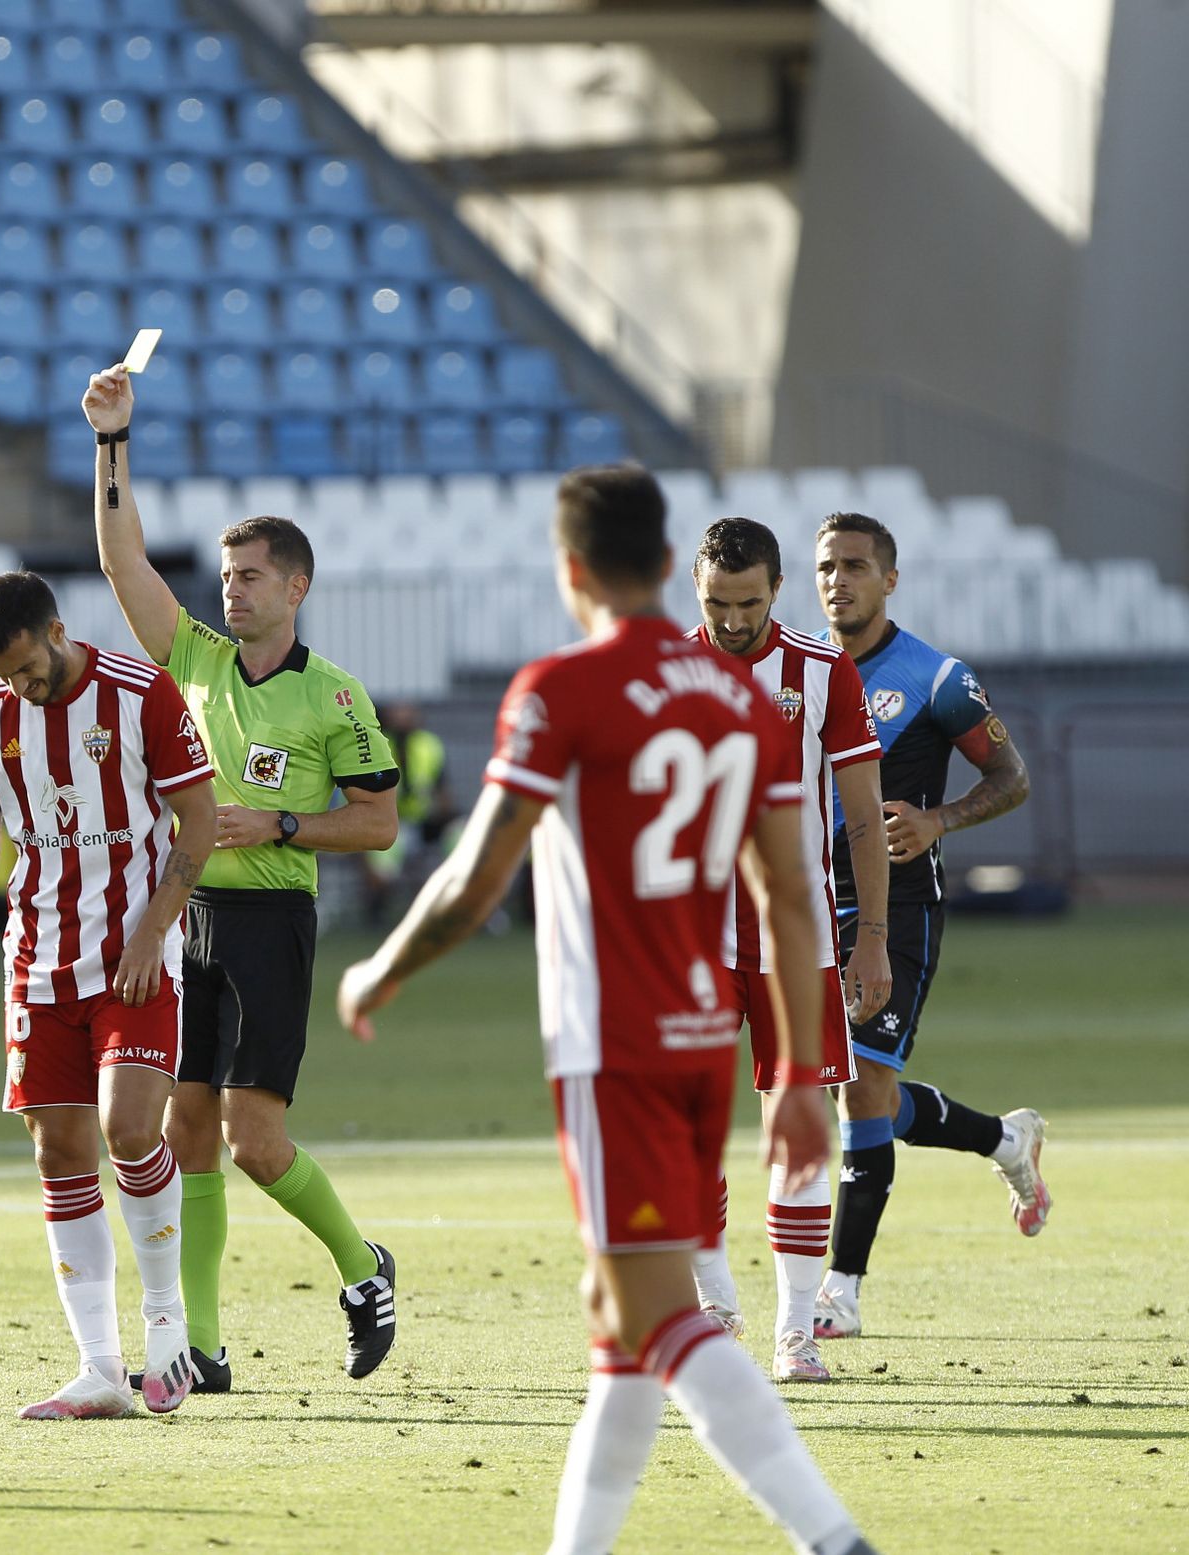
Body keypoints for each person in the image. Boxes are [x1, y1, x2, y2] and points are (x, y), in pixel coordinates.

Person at [339, 466, 880, 1555]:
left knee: (652, 1318)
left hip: (613, 1045)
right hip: (696, 1037)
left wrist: (380, 968)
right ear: (665, 562)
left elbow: (475, 874)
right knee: (619, 1326)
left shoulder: (559, 688)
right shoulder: (739, 697)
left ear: (571, 566)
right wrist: (808, 1073)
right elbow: (786, 887)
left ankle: (832, 1537)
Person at [83, 364, 402, 1393]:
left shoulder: (334, 695)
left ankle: (362, 1268)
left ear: (295, 588)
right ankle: (205, 1346)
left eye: (251, 576)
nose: (232, 589)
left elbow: (382, 821)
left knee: (258, 1138)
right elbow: (122, 557)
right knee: (185, 1130)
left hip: (270, 917)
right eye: (226, 576)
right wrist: (112, 442)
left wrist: (284, 821)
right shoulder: (196, 660)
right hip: (187, 913)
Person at [0, 570, 217, 1419]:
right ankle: (99, 1369)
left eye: (29, 668)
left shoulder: (143, 693)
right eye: (6, 674)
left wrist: (152, 928)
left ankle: (168, 1329)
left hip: (131, 956)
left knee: (131, 1128)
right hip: (39, 961)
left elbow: (198, 821)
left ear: (57, 631)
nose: (20, 686)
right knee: (59, 1154)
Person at [812, 512, 1048, 1341]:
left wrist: (942, 818)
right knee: (850, 1089)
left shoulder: (936, 677)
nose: (838, 579)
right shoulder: (800, 672)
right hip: (811, 905)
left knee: (861, 1085)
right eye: (826, 566)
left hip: (900, 906)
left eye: (856, 565)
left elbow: (1012, 775)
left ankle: (840, 1290)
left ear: (890, 579)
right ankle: (1006, 1140)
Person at [684, 517, 890, 1382]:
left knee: (797, 1136)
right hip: (686, 944)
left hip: (794, 943)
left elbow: (865, 815)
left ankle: (796, 1332)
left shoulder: (822, 670)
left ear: (776, 591)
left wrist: (870, 937)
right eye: (717, 604)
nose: (734, 621)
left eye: (750, 603)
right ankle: (715, 1303)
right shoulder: (663, 676)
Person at [358, 701, 458, 926]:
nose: (404, 714)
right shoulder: (378, 744)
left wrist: (445, 814)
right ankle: (377, 911)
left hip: (424, 820)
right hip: (393, 821)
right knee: (383, 862)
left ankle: (464, 906)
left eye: (408, 708)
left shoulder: (429, 744)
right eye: (399, 708)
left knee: (460, 834)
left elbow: (442, 790)